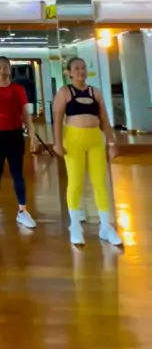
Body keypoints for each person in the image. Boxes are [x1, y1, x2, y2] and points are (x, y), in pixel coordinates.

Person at [53, 57, 122, 246]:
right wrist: (57, 142)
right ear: (69, 72)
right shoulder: (65, 92)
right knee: (75, 183)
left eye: (83, 67)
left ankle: (105, 226)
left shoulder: (95, 92)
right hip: (73, 140)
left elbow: (104, 119)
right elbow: (57, 118)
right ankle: (75, 225)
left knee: (100, 183)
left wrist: (111, 142)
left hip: (95, 140)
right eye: (76, 68)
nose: (81, 71)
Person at [0, 56, 37, 230]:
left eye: (5, 67)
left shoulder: (18, 89)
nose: (3, 70)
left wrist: (33, 135)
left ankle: (22, 211)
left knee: (17, 172)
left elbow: (26, 115)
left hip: (15, 134)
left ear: (10, 69)